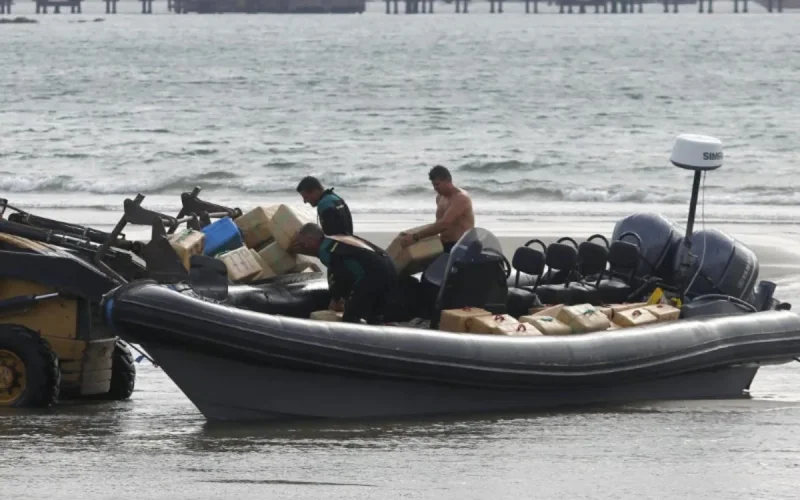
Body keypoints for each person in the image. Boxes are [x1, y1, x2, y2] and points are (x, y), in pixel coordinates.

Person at [289, 223, 398, 325]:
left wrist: (336, 298)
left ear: (310, 239)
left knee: (350, 318)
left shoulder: (326, 249)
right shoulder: (337, 239)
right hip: (390, 268)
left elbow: (338, 275)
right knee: (374, 315)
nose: (303, 247)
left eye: (302, 244)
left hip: (373, 276)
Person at [398, 165, 474, 253]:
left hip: (461, 246)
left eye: (437, 184)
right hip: (443, 244)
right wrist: (412, 233)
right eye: (433, 185)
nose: (435, 188)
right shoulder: (440, 197)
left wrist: (415, 237)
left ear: (448, 180)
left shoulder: (461, 198)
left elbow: (444, 224)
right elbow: (437, 225)